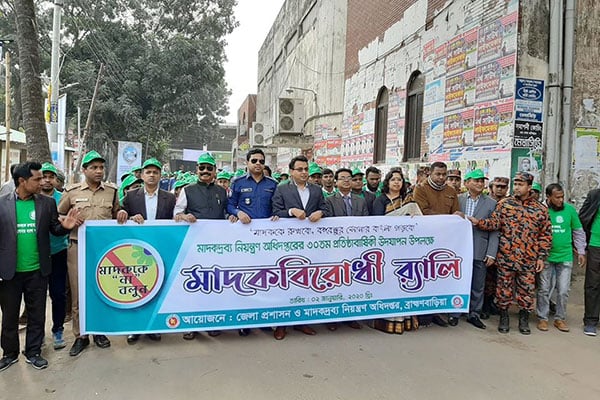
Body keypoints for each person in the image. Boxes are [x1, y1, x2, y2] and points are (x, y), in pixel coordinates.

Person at [0, 162, 80, 371]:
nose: (41, 182)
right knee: (9, 317)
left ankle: (33, 352)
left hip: (37, 270)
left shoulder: (47, 203)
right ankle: (9, 353)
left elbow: (54, 228)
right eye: (36, 179)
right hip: (9, 272)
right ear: (22, 181)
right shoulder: (2, 204)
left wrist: (65, 227)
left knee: (37, 315)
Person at [57, 150, 129, 357]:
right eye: (94, 168)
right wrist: (68, 220)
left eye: (101, 167)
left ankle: (99, 331)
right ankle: (81, 335)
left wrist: (122, 212)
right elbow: (58, 214)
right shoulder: (72, 192)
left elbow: (116, 213)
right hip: (77, 247)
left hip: (104, 250)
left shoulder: (112, 191)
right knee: (79, 292)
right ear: (84, 170)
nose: (99, 171)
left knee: (102, 289)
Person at [469, 172, 552, 334]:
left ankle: (524, 319)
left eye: (521, 184)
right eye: (516, 184)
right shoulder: (505, 204)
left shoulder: (540, 209)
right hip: (506, 257)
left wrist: (541, 257)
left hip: (528, 259)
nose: (517, 187)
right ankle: (504, 317)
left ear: (529, 187)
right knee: (503, 290)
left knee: (526, 291)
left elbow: (545, 235)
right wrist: (478, 222)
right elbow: (494, 223)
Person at [271, 155, 328, 340]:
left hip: (310, 244)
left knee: (305, 283)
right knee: (285, 283)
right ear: (291, 171)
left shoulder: (317, 190)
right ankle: (282, 324)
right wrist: (291, 211)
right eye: (300, 169)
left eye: (306, 169)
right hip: (288, 244)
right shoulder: (282, 189)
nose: (304, 173)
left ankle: (302, 322)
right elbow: (275, 212)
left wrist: (320, 212)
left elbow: (326, 209)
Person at [122, 158, 176, 344]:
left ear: (160, 175)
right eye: (148, 172)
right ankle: (134, 328)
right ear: (142, 175)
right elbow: (120, 216)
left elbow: (174, 220)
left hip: (160, 248)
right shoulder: (131, 196)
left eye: (155, 172)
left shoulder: (170, 198)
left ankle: (153, 326)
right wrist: (130, 217)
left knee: (157, 287)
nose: (152, 175)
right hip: (136, 249)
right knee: (136, 288)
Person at [174, 152, 227, 339]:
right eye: (202, 168)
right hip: (193, 247)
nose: (205, 171)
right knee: (193, 286)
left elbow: (226, 213)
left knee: (213, 284)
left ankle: (211, 322)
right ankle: (191, 325)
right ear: (197, 170)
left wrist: (232, 216)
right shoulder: (187, 190)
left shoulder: (222, 191)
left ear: (214, 171)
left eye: (209, 168)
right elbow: (176, 214)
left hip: (216, 246)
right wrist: (184, 216)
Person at [227, 148, 279, 336]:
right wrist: (237, 212)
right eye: (254, 160)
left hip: (267, 239)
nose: (258, 164)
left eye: (261, 161)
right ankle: (245, 320)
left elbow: (278, 206)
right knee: (246, 277)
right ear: (247, 163)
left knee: (266, 278)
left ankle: (263, 318)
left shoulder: (273, 184)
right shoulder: (238, 183)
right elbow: (229, 205)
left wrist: (277, 215)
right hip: (245, 238)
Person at [413, 161, 459, 327]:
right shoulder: (420, 189)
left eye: (443, 174)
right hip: (424, 240)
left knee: (439, 276)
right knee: (424, 276)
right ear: (430, 174)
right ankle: (422, 313)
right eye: (437, 174)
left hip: (445, 240)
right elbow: (423, 211)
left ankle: (436, 312)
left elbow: (456, 212)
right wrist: (447, 218)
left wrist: (454, 218)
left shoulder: (451, 191)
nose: (441, 177)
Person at [371, 167, 417, 333]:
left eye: (399, 179)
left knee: (404, 281)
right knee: (388, 282)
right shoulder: (380, 200)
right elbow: (377, 224)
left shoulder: (408, 200)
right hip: (387, 247)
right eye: (393, 179)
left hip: (405, 247)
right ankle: (385, 320)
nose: (397, 182)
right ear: (387, 182)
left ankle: (403, 319)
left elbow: (418, 221)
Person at [536, 183, 586, 333]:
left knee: (563, 290)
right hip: (546, 256)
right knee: (544, 289)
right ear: (548, 197)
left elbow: (578, 231)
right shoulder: (541, 210)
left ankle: (560, 318)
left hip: (565, 256)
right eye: (557, 197)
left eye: (562, 197)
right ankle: (543, 318)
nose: (560, 200)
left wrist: (581, 251)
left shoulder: (570, 210)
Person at [452, 169, 498, 329]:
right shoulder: (457, 200)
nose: (479, 183)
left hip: (480, 248)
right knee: (458, 281)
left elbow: (495, 229)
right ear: (466, 183)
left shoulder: (491, 203)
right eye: (476, 180)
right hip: (459, 249)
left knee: (478, 284)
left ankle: (474, 313)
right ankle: (455, 312)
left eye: (481, 181)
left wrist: (491, 253)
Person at [40, 163, 71, 349]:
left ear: (56, 180)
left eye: (50, 177)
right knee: (36, 296)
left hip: (59, 251)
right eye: (43, 177)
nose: (47, 180)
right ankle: (38, 334)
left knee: (58, 293)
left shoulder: (63, 198)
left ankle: (58, 329)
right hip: (37, 254)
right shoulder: (31, 199)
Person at [578, 186, 600, 336]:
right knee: (593, 284)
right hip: (595, 245)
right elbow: (583, 218)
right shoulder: (595, 195)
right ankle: (590, 321)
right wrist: (581, 246)